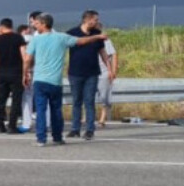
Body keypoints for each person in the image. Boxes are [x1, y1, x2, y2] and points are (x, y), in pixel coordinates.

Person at [23, 12, 108, 146]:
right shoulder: (62, 37)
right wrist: (97, 36)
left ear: (44, 24)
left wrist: (25, 73)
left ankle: (41, 139)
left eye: (37, 24)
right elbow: (81, 41)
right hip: (55, 81)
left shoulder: (36, 40)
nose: (35, 26)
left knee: (40, 110)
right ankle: (57, 137)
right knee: (56, 110)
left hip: (40, 80)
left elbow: (27, 59)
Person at [66, 10, 112, 140]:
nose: (97, 22)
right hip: (75, 72)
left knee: (89, 101)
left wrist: (109, 68)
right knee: (76, 101)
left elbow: (102, 51)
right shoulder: (72, 33)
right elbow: (78, 42)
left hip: (92, 73)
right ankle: (75, 128)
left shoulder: (97, 34)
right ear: (87, 20)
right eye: (95, 19)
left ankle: (90, 129)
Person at [0, 18, 27, 133]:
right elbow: (24, 56)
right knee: (16, 100)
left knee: (1, 99)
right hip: (16, 73)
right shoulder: (18, 38)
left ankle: (0, 125)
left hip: (2, 73)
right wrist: (26, 73)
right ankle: (12, 125)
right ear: (11, 26)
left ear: (1, 27)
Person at [17, 21, 36, 133]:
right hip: (40, 70)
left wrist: (26, 71)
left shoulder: (23, 39)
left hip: (28, 70)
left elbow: (26, 57)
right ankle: (46, 123)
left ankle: (26, 123)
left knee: (26, 98)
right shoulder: (37, 38)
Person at [97, 36, 118, 128]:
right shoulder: (86, 39)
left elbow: (113, 55)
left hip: (104, 71)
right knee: (87, 95)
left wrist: (113, 71)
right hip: (89, 71)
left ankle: (102, 117)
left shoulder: (106, 41)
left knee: (104, 95)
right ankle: (86, 117)